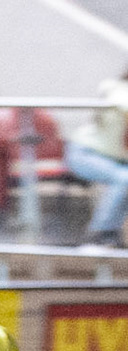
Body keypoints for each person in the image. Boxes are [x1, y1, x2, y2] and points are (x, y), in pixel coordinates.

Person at [67, 69, 128, 247]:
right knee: (124, 178)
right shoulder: (117, 88)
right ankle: (100, 233)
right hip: (84, 153)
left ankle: (111, 232)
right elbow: (122, 102)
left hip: (113, 159)